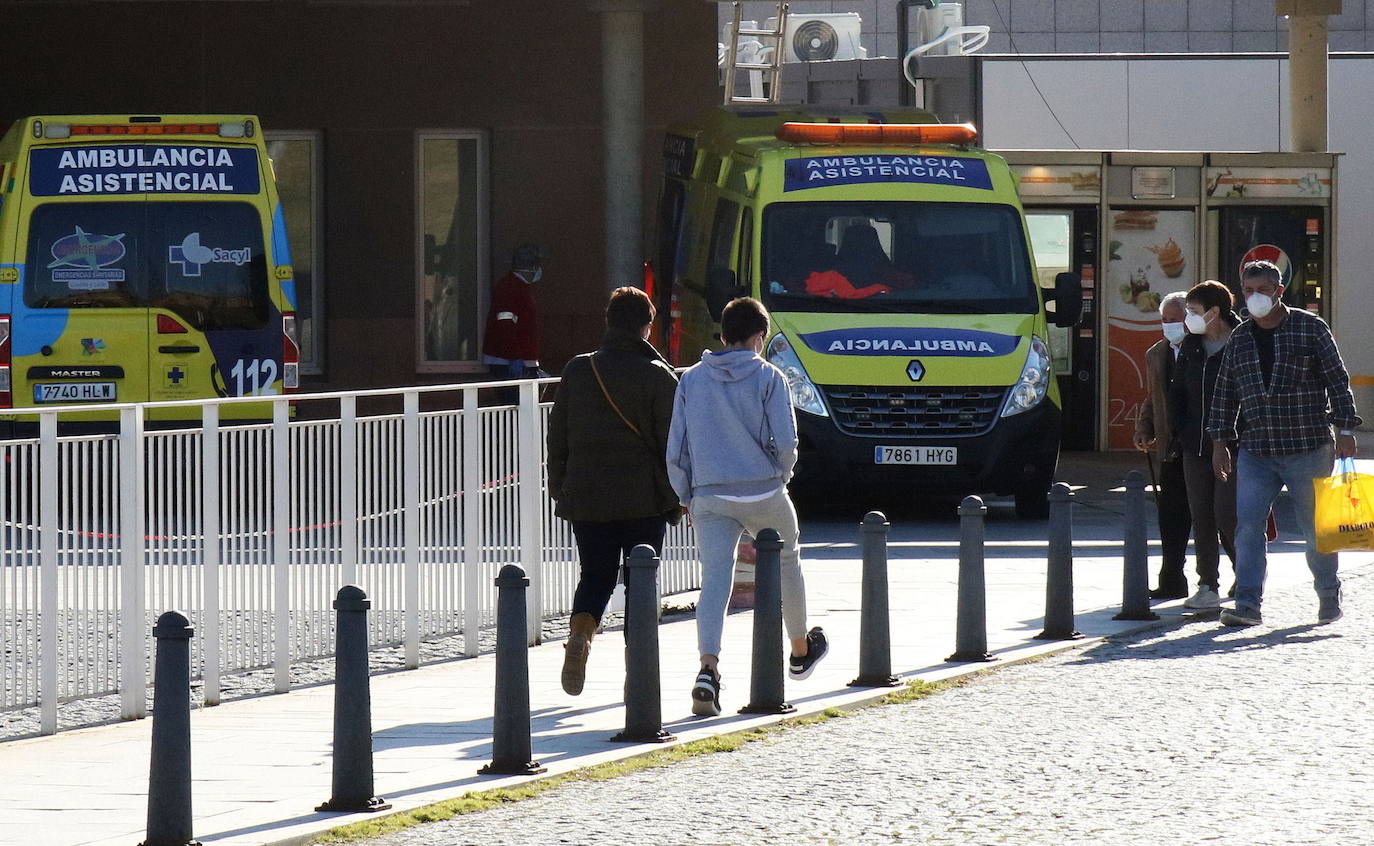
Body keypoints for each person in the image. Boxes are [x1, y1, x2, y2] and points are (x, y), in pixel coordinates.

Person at [666, 297, 827, 716]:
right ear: (760, 337)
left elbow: (676, 450)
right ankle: (798, 648)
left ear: (722, 335)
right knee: (788, 560)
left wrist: (687, 495)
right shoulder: (770, 377)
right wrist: (779, 475)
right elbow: (787, 443)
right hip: (763, 491)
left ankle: (708, 668)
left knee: (715, 581)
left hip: (710, 495)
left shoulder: (692, 380)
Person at [1209, 260, 1361, 627]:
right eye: (1248, 290)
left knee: (1315, 528)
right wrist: (1219, 441)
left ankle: (1328, 592)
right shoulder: (1241, 337)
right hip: (1256, 449)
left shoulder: (1310, 328)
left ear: (1279, 291)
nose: (1255, 297)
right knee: (1247, 527)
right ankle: (1247, 604)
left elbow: (1337, 380)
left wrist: (1345, 430)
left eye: (1262, 290)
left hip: (1307, 445)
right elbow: (1225, 391)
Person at [546, 286, 681, 695]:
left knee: (596, 574)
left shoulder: (578, 369)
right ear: (647, 327)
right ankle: (636, 671)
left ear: (608, 322)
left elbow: (558, 435)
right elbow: (673, 443)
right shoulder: (659, 376)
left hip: (587, 495)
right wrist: (678, 496)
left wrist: (561, 487)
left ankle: (580, 639)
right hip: (644, 498)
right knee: (641, 581)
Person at [1168, 280, 1240, 610]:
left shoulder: (1243, 341)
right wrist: (1177, 432)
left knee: (1228, 515)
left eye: (1194, 312)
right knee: (1202, 516)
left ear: (1214, 311)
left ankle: (1247, 574)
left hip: (1235, 445)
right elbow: (1178, 392)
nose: (1188, 319)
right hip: (1194, 444)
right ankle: (1208, 584)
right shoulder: (1191, 347)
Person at [1133, 291, 1193, 600]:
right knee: (1171, 515)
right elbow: (1152, 396)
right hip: (1170, 448)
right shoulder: (1156, 353)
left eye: (1175, 319)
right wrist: (1145, 428)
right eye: (1164, 320)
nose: (1168, 325)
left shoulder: (1202, 348)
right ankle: (1172, 577)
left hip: (1200, 443)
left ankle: (1235, 575)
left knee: (1216, 516)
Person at [482, 244, 543, 405]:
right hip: (508, 361)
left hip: (515, 359)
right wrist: (515, 357)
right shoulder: (510, 288)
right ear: (531, 266)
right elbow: (506, 325)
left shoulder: (517, 287)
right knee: (515, 407)